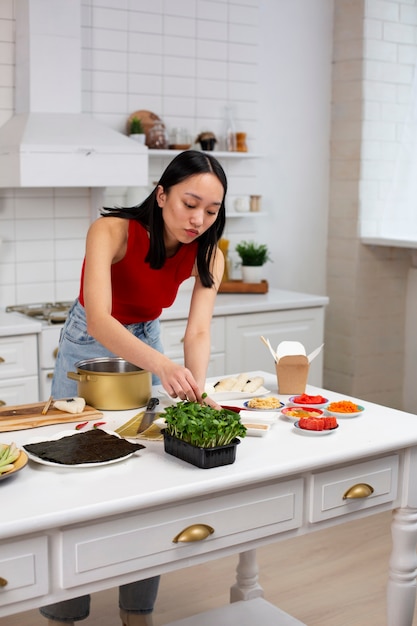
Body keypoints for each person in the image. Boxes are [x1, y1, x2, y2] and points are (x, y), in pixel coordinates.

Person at [40, 149, 228, 626]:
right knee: (72, 470)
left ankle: (136, 612)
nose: (199, 219)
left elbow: (199, 332)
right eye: (190, 203)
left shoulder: (210, 254)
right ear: (161, 193)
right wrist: (163, 367)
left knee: (144, 478)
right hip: (90, 340)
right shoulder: (111, 231)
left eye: (211, 210)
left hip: (146, 337)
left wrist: (194, 388)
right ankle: (65, 613)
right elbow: (102, 320)